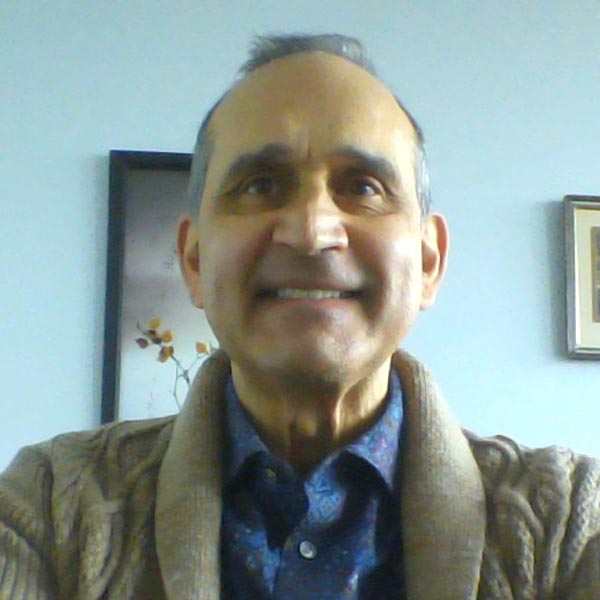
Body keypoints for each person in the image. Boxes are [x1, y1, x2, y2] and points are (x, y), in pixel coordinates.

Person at [1, 33, 599, 600]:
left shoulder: (572, 525)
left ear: (428, 262)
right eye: (261, 185)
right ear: (194, 259)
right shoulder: (49, 507)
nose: (312, 232)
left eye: (363, 187)